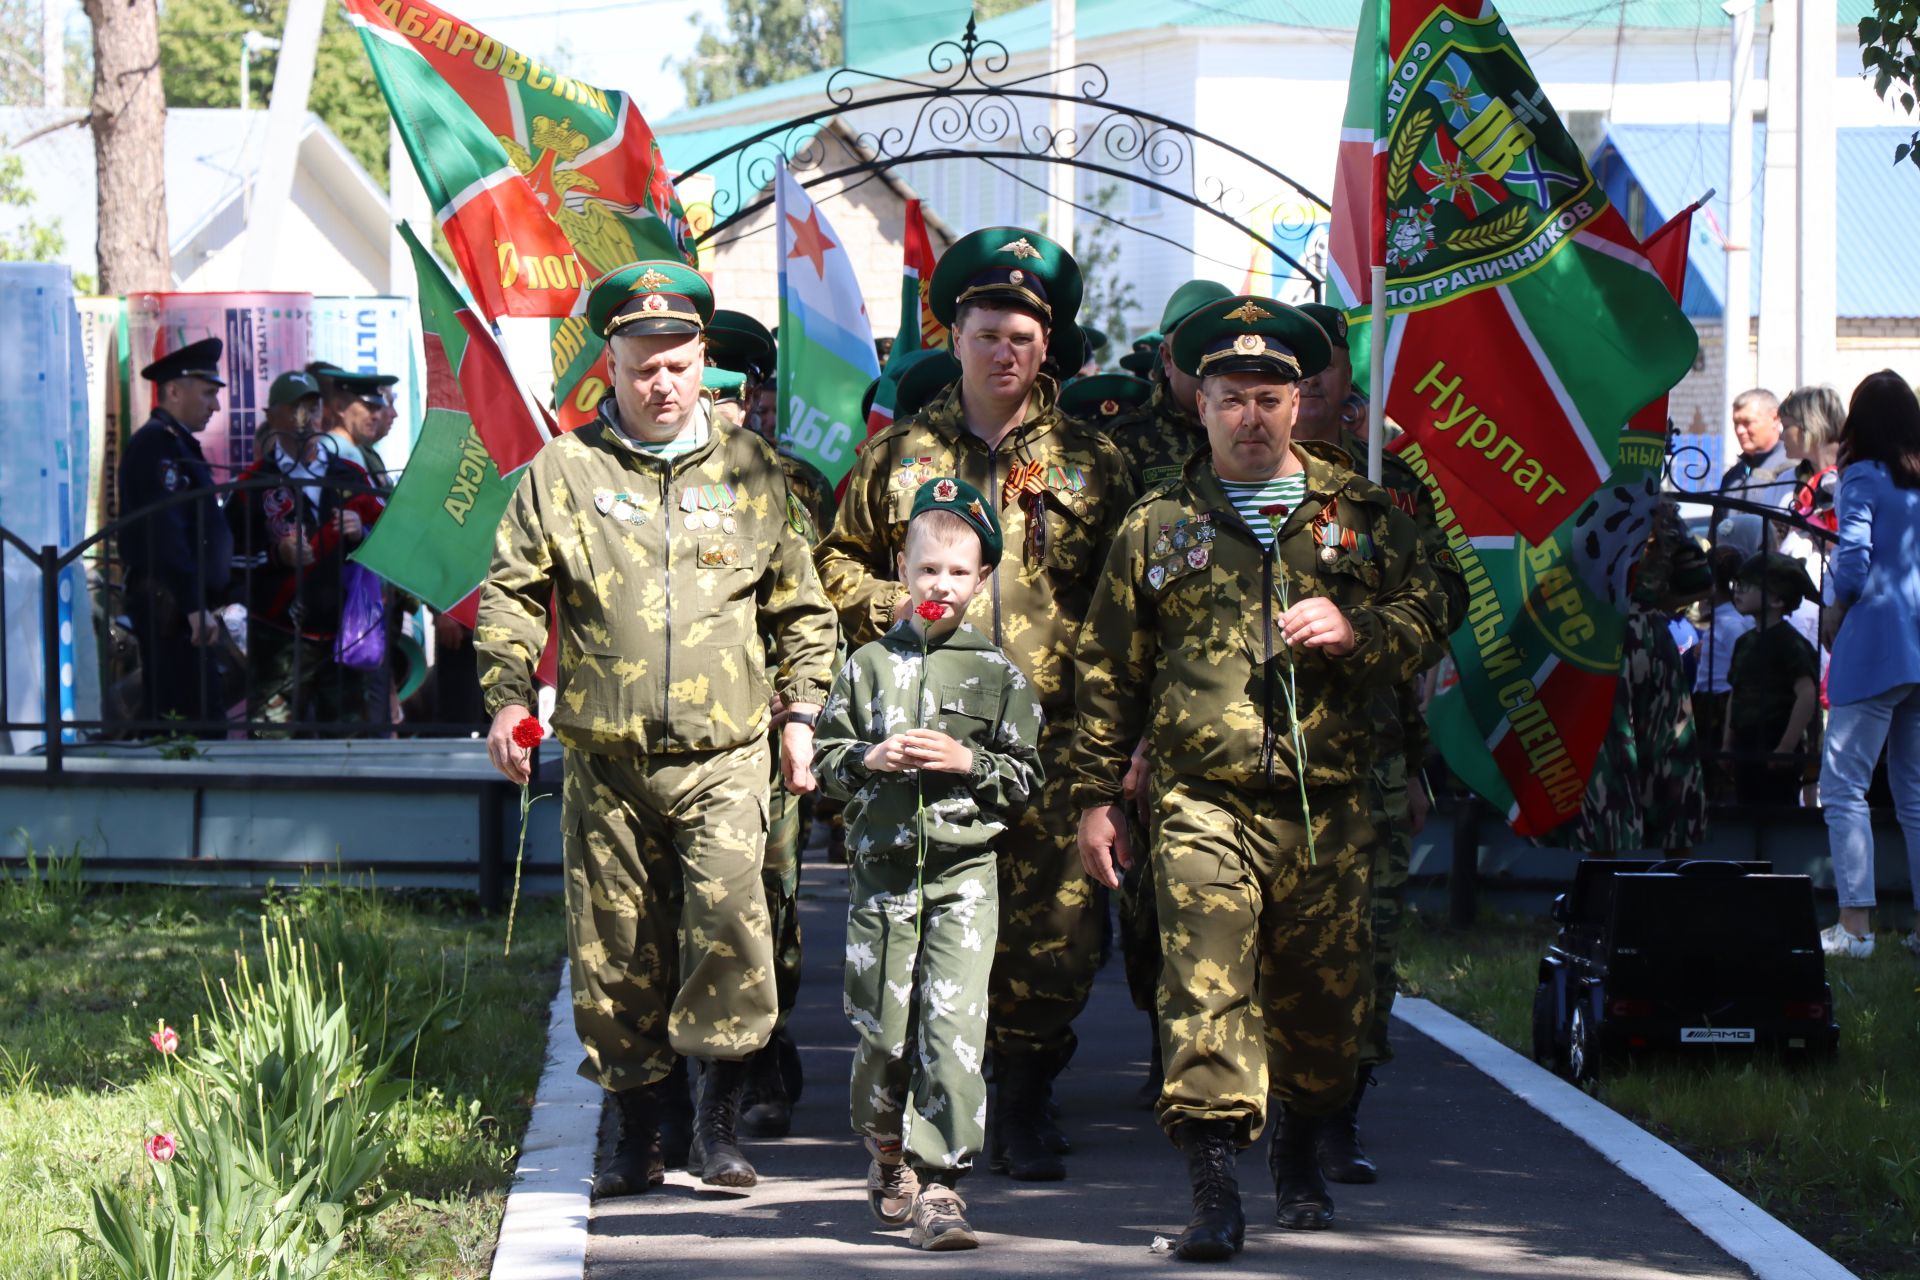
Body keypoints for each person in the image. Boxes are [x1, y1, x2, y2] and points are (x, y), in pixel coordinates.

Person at [1073, 295, 1455, 1261]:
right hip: (1201, 798)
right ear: (1199, 405)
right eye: (1231, 397)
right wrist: (1092, 798)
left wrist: (1357, 630)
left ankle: (1301, 1141)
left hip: (1327, 804)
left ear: (1301, 401)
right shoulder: (1156, 524)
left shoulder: (1363, 516)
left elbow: (1436, 604)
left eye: (1271, 396)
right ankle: (1212, 1191)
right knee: (1204, 990)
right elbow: (1109, 668)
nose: (1252, 415)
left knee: (1321, 1011)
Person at [476, 260, 838, 1199]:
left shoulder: (752, 471)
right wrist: (509, 701)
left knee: (727, 928)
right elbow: (512, 597)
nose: (661, 381)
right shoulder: (565, 472)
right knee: (617, 950)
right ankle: (637, 1128)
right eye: (642, 363)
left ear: (703, 359)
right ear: (612, 363)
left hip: (726, 755)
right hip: (609, 761)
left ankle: (717, 1124)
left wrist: (801, 714)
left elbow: (802, 608)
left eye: (678, 361)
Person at [815, 226, 1137, 1181]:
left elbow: (1133, 598)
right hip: (926, 737)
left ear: (1047, 350)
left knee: (1060, 932)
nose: (1005, 351)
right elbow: (833, 557)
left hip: (1054, 737)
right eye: (987, 332)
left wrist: (1130, 738)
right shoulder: (900, 455)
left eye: (1023, 338)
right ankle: (929, 1107)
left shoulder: (1095, 462)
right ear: (954, 337)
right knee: (928, 924)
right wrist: (895, 606)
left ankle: (1029, 1093)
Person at [814, 477, 1045, 1251]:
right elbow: (826, 757)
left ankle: (942, 1184)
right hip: (882, 880)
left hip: (962, 879)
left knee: (953, 1036)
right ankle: (886, 1150)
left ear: (982, 581)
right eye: (926, 569)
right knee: (883, 1034)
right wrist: (870, 756)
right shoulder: (866, 666)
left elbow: (1026, 779)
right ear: (902, 573)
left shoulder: (999, 676)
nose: (940, 585)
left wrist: (967, 760)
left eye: (957, 571)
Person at [1291, 301, 1468, 1183]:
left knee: (1366, 943)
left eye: (1320, 368)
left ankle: (1337, 1115)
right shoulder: (1217, 481)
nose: (1309, 385)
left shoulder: (1388, 487)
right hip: (1254, 761)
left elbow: (1429, 619)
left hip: (1369, 756)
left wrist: (1416, 764)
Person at [1542, 508, 1712, 855]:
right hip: (1650, 639)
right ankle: (1676, 863)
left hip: (1599, 639)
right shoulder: (1662, 516)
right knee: (1666, 746)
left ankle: (1605, 865)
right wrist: (1657, 603)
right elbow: (1700, 581)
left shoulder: (1586, 509)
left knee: (1609, 749)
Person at [1820, 371, 1920, 959]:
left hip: (1877, 647)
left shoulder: (1861, 476)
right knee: (1914, 795)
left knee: (1844, 786)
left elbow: (1853, 562)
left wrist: (1836, 605)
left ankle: (1854, 928)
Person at [226, 383, 387, 735]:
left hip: (343, 637)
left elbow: (390, 540)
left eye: (311, 409)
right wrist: (276, 555)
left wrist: (361, 533)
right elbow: (232, 560)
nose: (304, 420)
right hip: (277, 639)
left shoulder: (350, 475)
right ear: (272, 417)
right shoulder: (253, 484)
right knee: (271, 742)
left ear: (322, 414)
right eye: (294, 409)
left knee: (347, 745)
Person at [118, 338, 235, 730]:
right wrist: (191, 605)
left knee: (193, 711)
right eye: (207, 393)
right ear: (172, 391)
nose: (215, 405)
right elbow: (166, 534)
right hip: (169, 604)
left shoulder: (178, 443)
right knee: (185, 715)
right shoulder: (158, 444)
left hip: (182, 603)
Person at [1104, 280, 1233, 492]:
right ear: (1167, 359)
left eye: (1224, 349)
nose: (1211, 363)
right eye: (1197, 351)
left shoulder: (1258, 429)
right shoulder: (1125, 442)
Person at [1725, 552, 1821, 806]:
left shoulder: (1790, 643)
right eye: (1737, 585)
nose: (1738, 591)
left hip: (1775, 742)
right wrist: (1727, 743)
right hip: (1746, 744)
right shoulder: (1744, 642)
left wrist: (1786, 746)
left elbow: (1807, 694)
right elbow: (1736, 693)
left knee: (1776, 816)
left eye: (1748, 585)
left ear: (1778, 599)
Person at [1691, 545, 1757, 801]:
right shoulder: (1723, 619)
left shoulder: (1731, 624)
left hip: (1719, 706)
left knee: (1720, 785)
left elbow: (1739, 676)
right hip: (1708, 703)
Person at [1713, 388, 1795, 554]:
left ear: (1774, 419)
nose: (1739, 430)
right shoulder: (1733, 475)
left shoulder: (1791, 469)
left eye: (1747, 422)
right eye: (1736, 423)